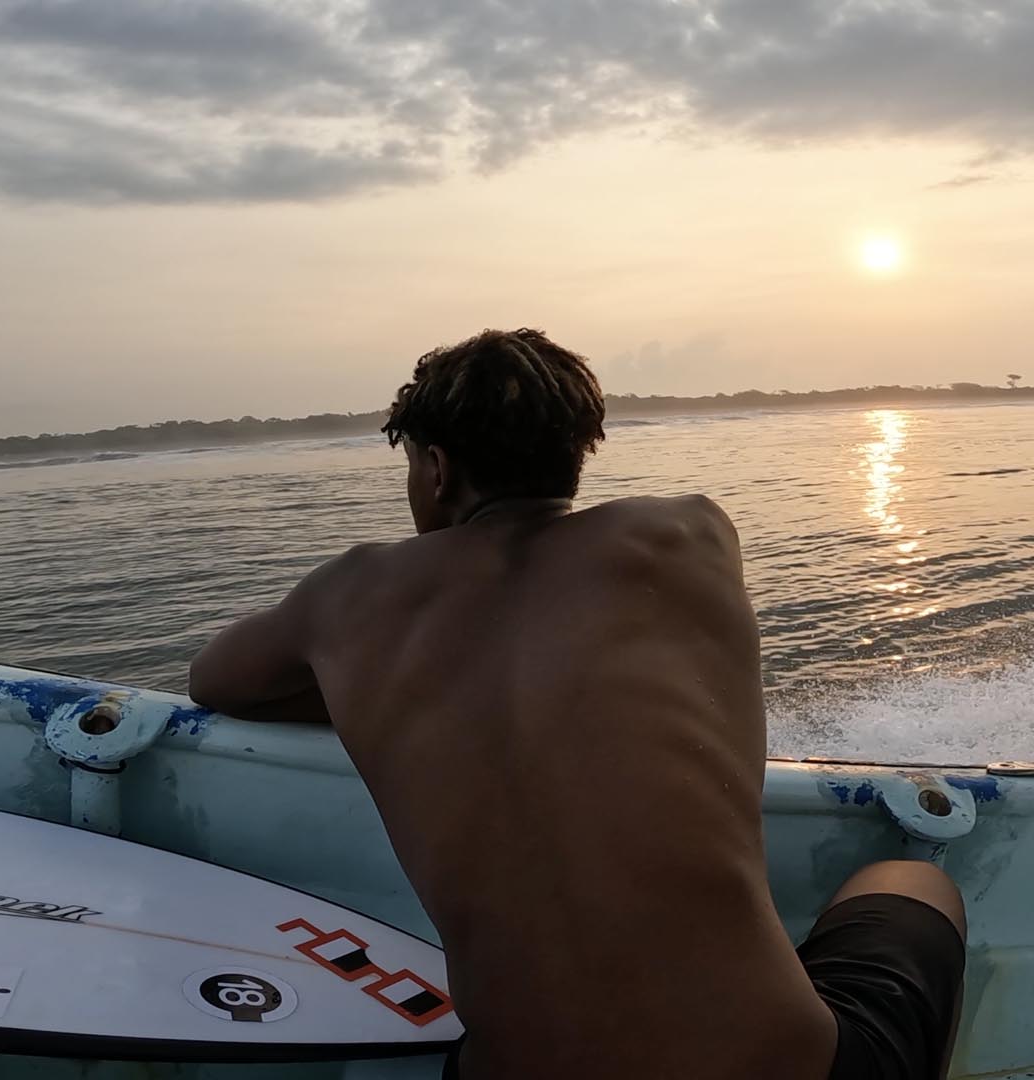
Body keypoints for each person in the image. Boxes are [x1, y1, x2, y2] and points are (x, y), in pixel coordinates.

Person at [190, 328, 966, 1079]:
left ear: (434, 467)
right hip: (782, 1065)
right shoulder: (688, 534)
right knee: (911, 883)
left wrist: (389, 703)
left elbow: (216, 682)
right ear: (577, 451)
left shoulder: (350, 594)